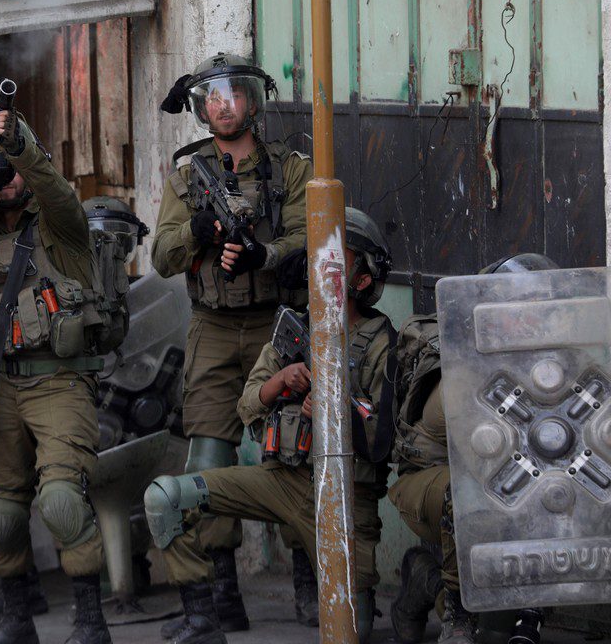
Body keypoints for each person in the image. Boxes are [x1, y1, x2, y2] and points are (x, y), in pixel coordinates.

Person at [144, 207, 395, 644]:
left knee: (353, 629)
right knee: (167, 499)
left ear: (364, 277)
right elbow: (247, 407)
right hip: (279, 483)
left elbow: (382, 442)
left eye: (340, 258)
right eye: (322, 257)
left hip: (343, 498)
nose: (327, 268)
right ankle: (203, 617)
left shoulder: (381, 343)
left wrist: (338, 412)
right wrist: (279, 383)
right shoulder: (295, 332)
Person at [0, 107, 114, 644]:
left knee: (61, 503)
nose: (6, 178)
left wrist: (18, 147)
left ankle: (89, 621)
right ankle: (17, 618)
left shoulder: (60, 225)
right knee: (1, 515)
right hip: (0, 386)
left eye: (12, 169)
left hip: (60, 382)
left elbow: (54, 190)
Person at [152, 53, 314, 630]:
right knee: (209, 456)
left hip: (279, 320)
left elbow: (306, 240)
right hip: (214, 327)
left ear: (253, 101)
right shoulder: (187, 174)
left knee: (297, 445)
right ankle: (217, 593)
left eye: (233, 94)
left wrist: (261, 256)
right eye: (212, 97)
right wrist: (197, 232)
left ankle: (311, 581)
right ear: (202, 108)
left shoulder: (289, 168)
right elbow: (162, 255)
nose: (223, 104)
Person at [388, 253, 559, 644]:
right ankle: (450, 606)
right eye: (520, 310)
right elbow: (490, 462)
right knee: (467, 494)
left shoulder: (543, 364)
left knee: (499, 629)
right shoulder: (466, 371)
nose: (533, 319)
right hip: (431, 484)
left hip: (496, 488)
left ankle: (515, 610)